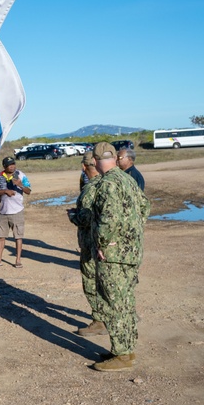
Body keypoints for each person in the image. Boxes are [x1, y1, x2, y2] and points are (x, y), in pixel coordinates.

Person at [88, 142, 150, 371]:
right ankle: (124, 349)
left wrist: (104, 243)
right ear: (114, 158)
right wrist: (132, 234)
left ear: (95, 161)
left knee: (113, 303)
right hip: (131, 252)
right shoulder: (128, 179)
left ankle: (123, 354)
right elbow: (145, 207)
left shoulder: (108, 183)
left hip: (114, 256)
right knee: (125, 301)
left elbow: (109, 217)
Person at [68, 155, 105, 335]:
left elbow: (84, 219)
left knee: (91, 282)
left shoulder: (90, 188)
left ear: (84, 167)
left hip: (91, 244)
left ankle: (99, 321)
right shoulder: (109, 183)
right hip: (105, 245)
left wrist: (73, 215)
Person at [0, 157, 31, 268]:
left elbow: (29, 191)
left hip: (17, 211)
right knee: (1, 236)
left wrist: (20, 185)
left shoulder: (21, 175)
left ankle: (18, 260)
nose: (12, 166)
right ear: (4, 166)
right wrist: (4, 191)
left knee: (18, 237)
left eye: (13, 164)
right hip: (3, 211)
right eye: (9, 165)